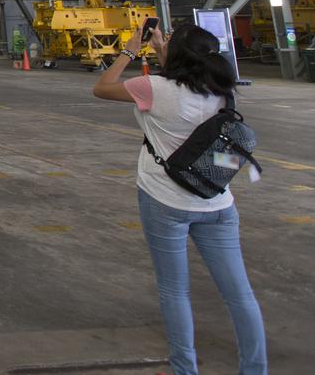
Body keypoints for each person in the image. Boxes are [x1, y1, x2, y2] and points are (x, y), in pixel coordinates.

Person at [91, 24, 266, 375]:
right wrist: (161, 49)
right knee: (239, 295)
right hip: (217, 203)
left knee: (174, 291)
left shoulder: (151, 88)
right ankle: (255, 370)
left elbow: (102, 88)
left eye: (169, 40)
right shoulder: (221, 90)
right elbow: (181, 82)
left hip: (165, 201)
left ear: (179, 54)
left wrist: (130, 50)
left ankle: (184, 369)